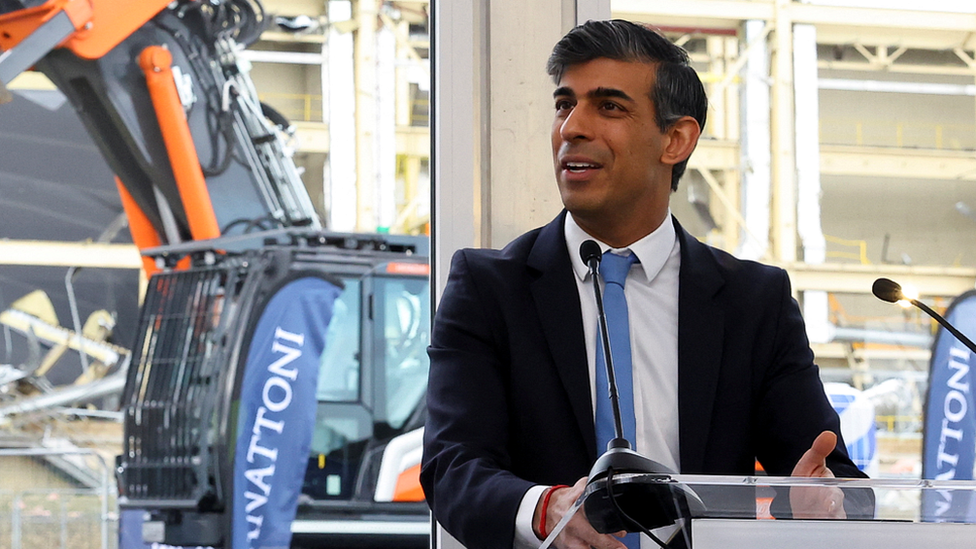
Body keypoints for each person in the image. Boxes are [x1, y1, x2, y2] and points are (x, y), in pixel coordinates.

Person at [421, 19, 867, 549]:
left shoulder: (754, 302)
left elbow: (835, 479)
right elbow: (453, 468)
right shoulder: (489, 288)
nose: (572, 127)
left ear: (676, 139)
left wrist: (826, 505)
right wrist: (548, 509)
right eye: (565, 104)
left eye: (608, 106)